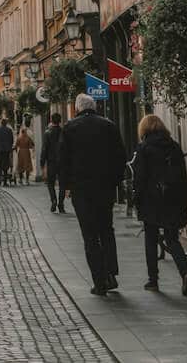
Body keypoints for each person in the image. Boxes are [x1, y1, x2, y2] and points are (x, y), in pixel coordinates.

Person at [60, 94, 127, 296]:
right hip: (104, 188)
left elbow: (63, 160)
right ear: (94, 107)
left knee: (89, 235)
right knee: (106, 230)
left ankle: (99, 282)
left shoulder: (70, 128)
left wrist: (65, 188)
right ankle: (111, 273)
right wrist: (115, 182)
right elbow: (120, 156)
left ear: (77, 108)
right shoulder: (109, 125)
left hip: (82, 190)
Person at [132, 114, 187, 295]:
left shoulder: (144, 148)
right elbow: (183, 176)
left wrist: (137, 199)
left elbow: (140, 178)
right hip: (172, 199)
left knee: (150, 239)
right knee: (172, 239)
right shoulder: (174, 146)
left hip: (152, 200)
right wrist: (183, 200)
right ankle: (185, 273)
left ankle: (153, 280)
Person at [40, 112, 66, 213]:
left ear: (51, 120)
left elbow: (44, 149)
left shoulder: (47, 133)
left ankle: (53, 200)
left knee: (50, 183)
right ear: (60, 121)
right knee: (62, 183)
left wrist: (42, 162)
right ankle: (61, 203)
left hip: (51, 162)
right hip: (62, 162)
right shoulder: (64, 132)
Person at [0, 118, 14, 187]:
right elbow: (11, 140)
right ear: (6, 123)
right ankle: (5, 181)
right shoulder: (9, 130)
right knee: (5, 165)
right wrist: (9, 147)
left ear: (1, 123)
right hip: (6, 150)